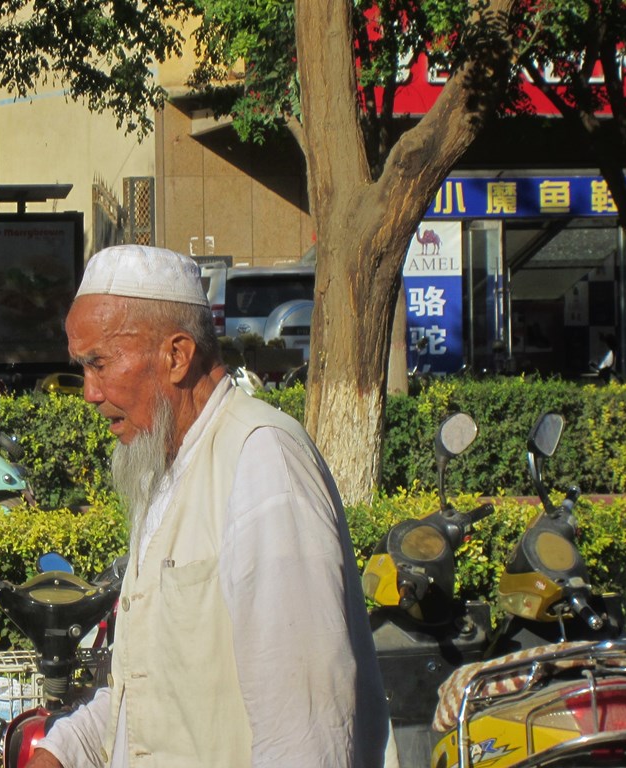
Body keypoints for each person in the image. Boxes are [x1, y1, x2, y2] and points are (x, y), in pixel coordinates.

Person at [27, 245, 395, 768]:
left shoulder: (261, 458)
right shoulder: (169, 469)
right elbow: (148, 693)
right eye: (82, 367)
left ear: (176, 356)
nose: (89, 391)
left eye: (100, 363)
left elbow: (304, 731)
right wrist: (62, 751)